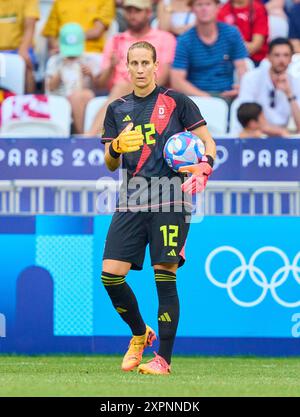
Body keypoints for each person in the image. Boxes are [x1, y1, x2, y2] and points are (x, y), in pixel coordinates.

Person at [100, 41, 216, 374]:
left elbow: (208, 142)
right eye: (133, 63)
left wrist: (204, 166)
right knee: (110, 276)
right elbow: (109, 164)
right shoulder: (116, 109)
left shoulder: (177, 102)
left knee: (164, 276)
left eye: (144, 63)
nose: (138, 69)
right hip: (132, 200)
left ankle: (162, 360)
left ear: (155, 65)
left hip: (171, 198)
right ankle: (140, 334)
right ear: (126, 66)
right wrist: (117, 147)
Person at [88, 0, 176, 136]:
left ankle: (90, 136)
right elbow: (101, 85)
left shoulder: (165, 38)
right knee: (122, 88)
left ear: (148, 12)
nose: (132, 15)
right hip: (117, 95)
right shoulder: (115, 40)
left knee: (124, 86)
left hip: (152, 92)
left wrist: (135, 84)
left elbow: (163, 77)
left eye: (137, 11)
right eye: (129, 11)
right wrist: (111, 66)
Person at [170, 0, 248, 100]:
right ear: (192, 9)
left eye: (208, 4)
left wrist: (242, 88)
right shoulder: (184, 40)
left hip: (227, 95)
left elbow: (242, 68)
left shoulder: (232, 33)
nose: (204, 9)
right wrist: (207, 98)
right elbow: (177, 81)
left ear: (217, 7)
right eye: (199, 4)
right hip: (196, 98)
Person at [238, 37, 300, 135]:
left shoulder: (296, 81)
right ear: (268, 57)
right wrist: (274, 131)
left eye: (286, 55)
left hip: (284, 135)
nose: (281, 60)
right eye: (277, 55)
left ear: (291, 59)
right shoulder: (251, 77)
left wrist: (289, 94)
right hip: (256, 133)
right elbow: (245, 115)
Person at [45, 23, 100, 134]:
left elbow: (98, 89)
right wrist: (60, 72)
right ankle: (84, 136)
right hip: (59, 100)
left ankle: (83, 135)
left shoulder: (90, 60)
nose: (71, 56)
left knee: (83, 96)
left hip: (83, 101)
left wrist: (90, 75)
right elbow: (49, 88)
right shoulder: (54, 61)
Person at [42, 0, 115, 56]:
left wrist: (67, 41)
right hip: (63, 53)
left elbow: (97, 32)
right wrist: (61, 47)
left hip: (90, 54)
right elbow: (51, 35)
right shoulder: (59, 2)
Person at [0, 0, 39, 93]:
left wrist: (23, 51)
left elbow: (30, 27)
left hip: (18, 49)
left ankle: (28, 103)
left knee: (27, 64)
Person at [217, 0, 269, 65]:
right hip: (230, 61)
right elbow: (223, 46)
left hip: (257, 60)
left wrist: (237, 48)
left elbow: (256, 45)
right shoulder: (222, 11)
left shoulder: (258, 8)